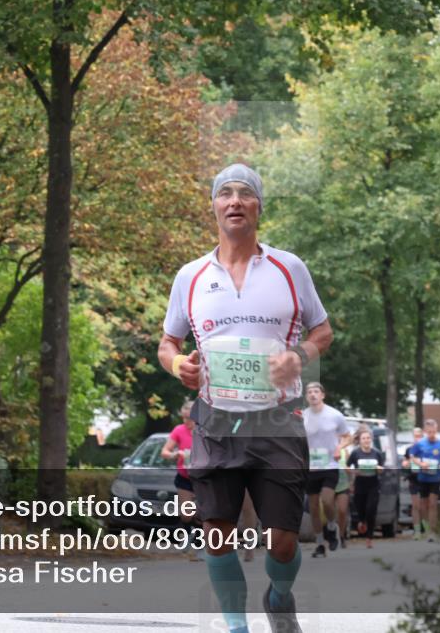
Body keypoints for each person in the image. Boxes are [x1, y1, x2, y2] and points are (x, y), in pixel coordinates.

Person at [159, 163, 333, 633]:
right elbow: (167, 344)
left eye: (244, 194)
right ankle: (237, 626)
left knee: (283, 541)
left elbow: (323, 330)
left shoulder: (289, 268)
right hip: (215, 422)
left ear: (258, 206)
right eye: (225, 194)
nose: (234, 201)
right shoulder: (190, 276)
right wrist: (180, 366)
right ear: (214, 206)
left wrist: (300, 356)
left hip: (277, 420)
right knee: (216, 532)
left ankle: (279, 595)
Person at [302, 382, 352, 558]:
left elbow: (348, 436)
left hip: (330, 465)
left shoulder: (335, 415)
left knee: (327, 500)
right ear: (306, 396)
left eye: (316, 391)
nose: (313, 394)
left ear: (323, 395)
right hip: (311, 467)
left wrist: (340, 448)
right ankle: (319, 544)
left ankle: (332, 526)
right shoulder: (303, 416)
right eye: (309, 392)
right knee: (314, 507)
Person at [161, 399, 201, 560]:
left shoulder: (203, 430)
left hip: (202, 477)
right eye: (184, 418)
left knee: (201, 513)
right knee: (186, 514)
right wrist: (174, 454)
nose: (186, 422)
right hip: (184, 477)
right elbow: (165, 451)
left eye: (189, 418)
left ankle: (199, 545)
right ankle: (187, 535)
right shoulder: (179, 430)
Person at [410, 419, 440, 541]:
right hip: (423, 478)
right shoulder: (420, 444)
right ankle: (427, 528)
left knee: (433, 504)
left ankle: (433, 532)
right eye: (429, 432)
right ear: (425, 431)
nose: (431, 434)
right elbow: (413, 457)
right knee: (424, 505)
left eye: (433, 431)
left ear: (436, 430)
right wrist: (420, 463)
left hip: (436, 477)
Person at [346, 429, 385, 548]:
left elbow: (382, 468)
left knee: (371, 510)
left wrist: (379, 469)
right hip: (360, 484)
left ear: (371, 439)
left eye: (368, 438)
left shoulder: (377, 453)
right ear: (360, 441)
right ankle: (362, 521)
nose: (366, 440)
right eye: (364, 438)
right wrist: (354, 471)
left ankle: (369, 538)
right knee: (361, 508)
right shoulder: (355, 453)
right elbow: (347, 466)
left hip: (373, 484)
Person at [401, 426, 425, 539]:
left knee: (425, 505)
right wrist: (405, 463)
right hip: (413, 479)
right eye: (415, 436)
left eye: (419, 436)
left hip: (426, 479)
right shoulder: (409, 449)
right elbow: (405, 462)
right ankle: (417, 531)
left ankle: (428, 530)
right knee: (415, 506)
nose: (417, 438)